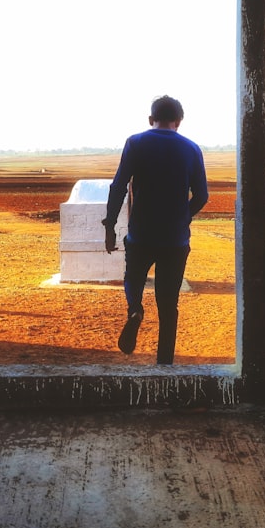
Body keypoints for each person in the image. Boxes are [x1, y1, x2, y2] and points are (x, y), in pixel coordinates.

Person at [103, 95, 209, 365]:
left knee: (133, 279)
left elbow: (118, 187)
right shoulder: (192, 148)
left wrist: (110, 226)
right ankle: (164, 363)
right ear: (179, 122)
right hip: (175, 240)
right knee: (168, 303)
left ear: (151, 120)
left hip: (141, 235)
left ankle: (135, 310)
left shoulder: (136, 143)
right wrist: (182, 217)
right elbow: (202, 195)